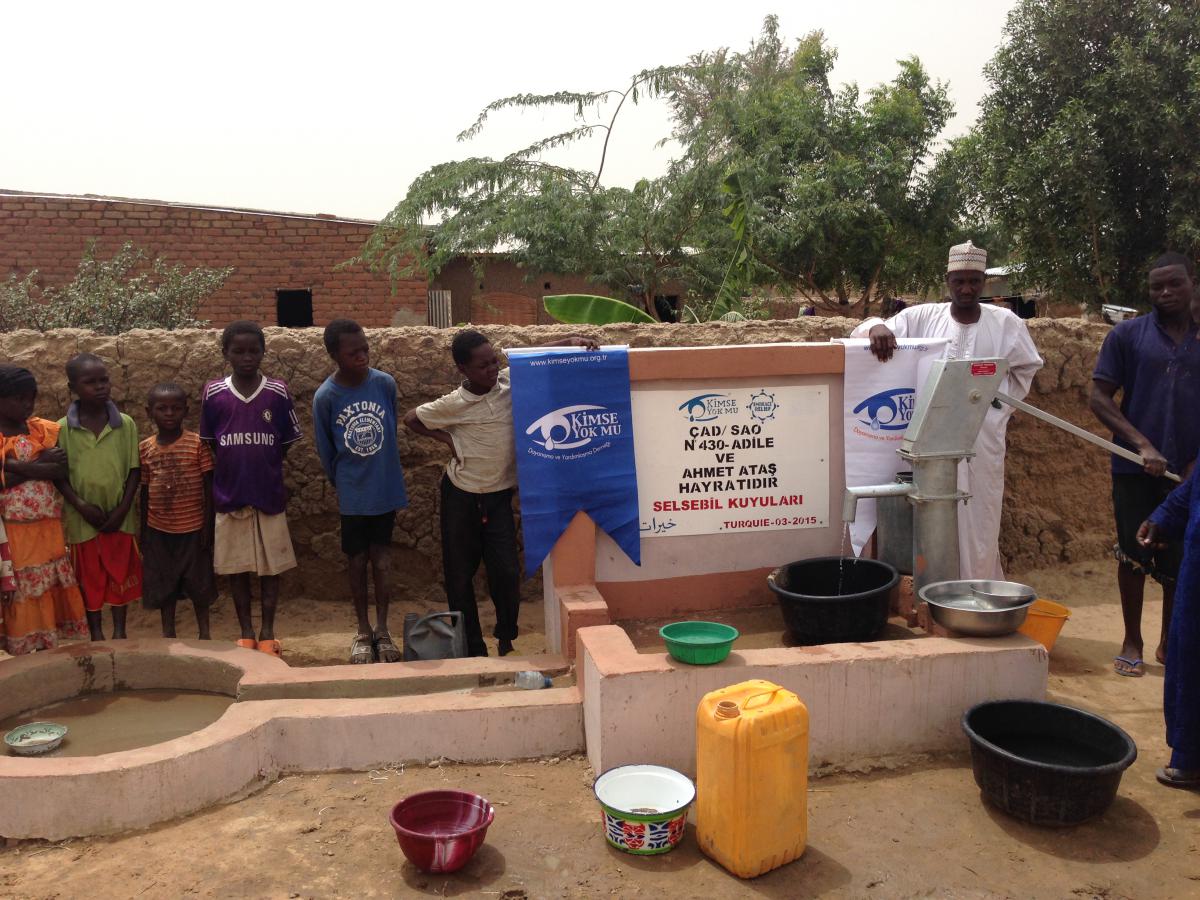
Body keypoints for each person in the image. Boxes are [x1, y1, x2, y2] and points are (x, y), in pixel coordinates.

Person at [851, 240, 1043, 580]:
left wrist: (994, 407)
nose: (967, 289)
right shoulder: (923, 317)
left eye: (974, 281)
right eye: (959, 281)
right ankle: (933, 587)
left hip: (981, 439)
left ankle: (976, 585)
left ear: (984, 282)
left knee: (979, 513)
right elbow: (868, 329)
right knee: (930, 508)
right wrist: (876, 327)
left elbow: (1026, 368)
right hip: (929, 437)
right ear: (948, 281)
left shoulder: (1006, 323)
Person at [404, 329, 598, 657]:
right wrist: (449, 441)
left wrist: (570, 342)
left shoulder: (507, 383)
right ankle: (473, 648)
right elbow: (412, 418)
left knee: (507, 572)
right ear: (463, 369)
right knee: (460, 576)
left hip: (498, 497)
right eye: (482, 366)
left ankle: (506, 637)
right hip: (461, 496)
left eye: (494, 361)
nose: (492, 369)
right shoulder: (453, 404)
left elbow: (532, 355)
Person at [1091, 252, 1200, 677]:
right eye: (1157, 286)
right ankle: (1131, 640)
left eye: (1174, 283)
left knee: (1179, 555)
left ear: (1191, 283)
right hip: (1133, 469)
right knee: (1133, 553)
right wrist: (1142, 445)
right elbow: (1099, 398)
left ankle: (1169, 642)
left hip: (1188, 475)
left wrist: (1195, 464)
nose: (1166, 292)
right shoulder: (1128, 336)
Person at [200, 321, 302, 657]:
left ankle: (267, 631)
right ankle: (245, 631)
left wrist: (264, 463)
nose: (247, 357)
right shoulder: (214, 393)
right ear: (225, 353)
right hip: (229, 495)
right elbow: (211, 442)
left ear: (263, 352)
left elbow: (285, 442)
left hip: (268, 494)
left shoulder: (277, 392)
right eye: (238, 351)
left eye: (253, 351)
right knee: (237, 568)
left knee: (271, 568)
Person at [313, 319, 408, 664]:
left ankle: (383, 629)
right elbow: (326, 450)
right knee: (356, 561)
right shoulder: (326, 397)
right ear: (334, 355)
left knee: (382, 560)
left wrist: (381, 475)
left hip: (384, 488)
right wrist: (346, 484)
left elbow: (391, 430)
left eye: (365, 349)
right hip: (353, 494)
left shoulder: (384, 384)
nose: (362, 356)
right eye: (353, 352)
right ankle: (363, 630)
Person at [0, 365, 87, 654]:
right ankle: (24, 650)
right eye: (19, 399)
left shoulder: (40, 430)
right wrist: (39, 466)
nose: (27, 404)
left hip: (48, 528)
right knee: (24, 587)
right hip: (14, 532)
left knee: (47, 584)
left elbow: (59, 469)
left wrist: (14, 466)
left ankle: (46, 647)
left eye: (31, 398)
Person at [57, 353, 143, 641]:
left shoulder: (125, 424)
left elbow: (134, 470)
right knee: (89, 577)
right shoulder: (62, 429)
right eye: (90, 382)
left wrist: (122, 510)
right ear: (73, 388)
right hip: (82, 520)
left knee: (120, 575)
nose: (100, 386)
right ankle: (96, 634)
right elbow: (59, 476)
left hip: (119, 518)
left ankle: (120, 633)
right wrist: (81, 505)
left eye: (104, 380)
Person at [139, 382, 218, 640]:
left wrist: (208, 527)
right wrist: (144, 532)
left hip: (193, 528)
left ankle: (204, 634)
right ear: (149, 412)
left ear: (186, 410)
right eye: (162, 408)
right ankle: (168, 634)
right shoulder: (145, 448)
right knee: (165, 584)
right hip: (159, 530)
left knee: (200, 584)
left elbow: (209, 487)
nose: (169, 414)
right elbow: (145, 492)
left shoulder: (197, 444)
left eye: (175, 408)